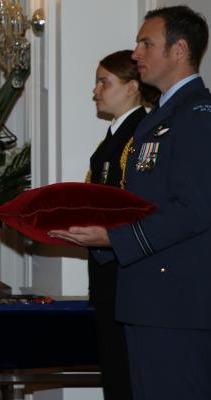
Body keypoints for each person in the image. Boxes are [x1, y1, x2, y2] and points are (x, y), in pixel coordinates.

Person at [50, 6, 211, 399]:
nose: (136, 52)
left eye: (146, 43)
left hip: (176, 307)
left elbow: (196, 209)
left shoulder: (197, 115)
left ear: (179, 50)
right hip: (146, 301)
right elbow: (138, 204)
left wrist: (113, 240)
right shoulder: (159, 118)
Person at [86, 49, 158, 400]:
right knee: (115, 372)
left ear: (132, 87)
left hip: (125, 269)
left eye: (104, 82)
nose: (96, 91)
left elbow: (131, 206)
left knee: (127, 376)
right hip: (108, 271)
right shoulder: (113, 140)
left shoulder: (139, 136)